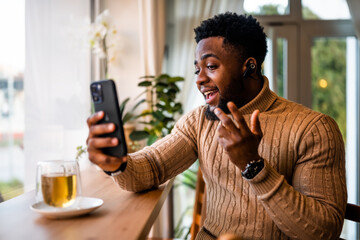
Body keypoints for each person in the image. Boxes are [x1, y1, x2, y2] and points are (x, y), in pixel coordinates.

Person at [86, 12, 347, 240]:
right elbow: (152, 167)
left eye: (211, 66)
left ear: (250, 67)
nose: (200, 80)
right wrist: (117, 163)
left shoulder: (314, 128)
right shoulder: (200, 121)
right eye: (197, 69)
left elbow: (322, 232)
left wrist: (254, 167)